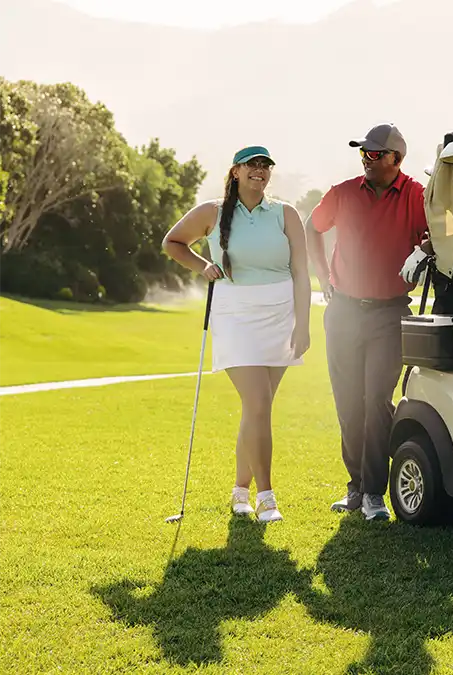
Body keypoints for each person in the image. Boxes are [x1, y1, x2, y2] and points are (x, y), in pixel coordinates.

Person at [163, 145, 310, 523]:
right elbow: (173, 242)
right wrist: (203, 266)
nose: (259, 171)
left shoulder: (286, 214)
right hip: (235, 315)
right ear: (236, 172)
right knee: (258, 404)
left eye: (265, 166)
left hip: (280, 315)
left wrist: (304, 325)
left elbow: (300, 272)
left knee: (257, 409)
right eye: (251, 165)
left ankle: (239, 491)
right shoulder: (211, 212)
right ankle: (266, 498)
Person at [305, 123, 430, 522]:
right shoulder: (343, 193)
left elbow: (443, 231)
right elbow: (312, 226)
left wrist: (427, 247)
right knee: (348, 403)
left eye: (374, 154)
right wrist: (321, 275)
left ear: (396, 159)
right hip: (343, 311)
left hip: (389, 314)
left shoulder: (416, 195)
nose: (366, 159)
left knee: (376, 401)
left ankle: (375, 492)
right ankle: (356, 487)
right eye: (363, 153)